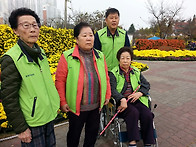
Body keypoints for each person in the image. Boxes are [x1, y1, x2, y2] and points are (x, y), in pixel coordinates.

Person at [0, 8, 60, 146]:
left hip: (48, 117)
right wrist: (21, 128)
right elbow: (9, 98)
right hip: (32, 123)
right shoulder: (11, 58)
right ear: (15, 30)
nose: (32, 29)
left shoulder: (41, 53)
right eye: (26, 25)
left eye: (35, 25)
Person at [55, 22, 111, 147]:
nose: (88, 38)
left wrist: (107, 94)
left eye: (91, 35)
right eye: (84, 35)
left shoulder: (100, 55)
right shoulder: (67, 56)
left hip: (96, 107)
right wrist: (62, 102)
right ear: (76, 39)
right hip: (76, 108)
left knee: (91, 135)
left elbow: (106, 77)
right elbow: (60, 81)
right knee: (74, 135)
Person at [109, 47, 155, 147]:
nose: (125, 61)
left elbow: (146, 84)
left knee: (147, 114)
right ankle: (132, 142)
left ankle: (148, 142)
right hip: (122, 103)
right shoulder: (113, 73)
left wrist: (140, 93)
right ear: (119, 59)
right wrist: (121, 99)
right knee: (133, 112)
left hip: (136, 100)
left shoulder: (136, 71)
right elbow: (112, 90)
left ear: (131, 59)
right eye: (122, 58)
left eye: (127, 58)